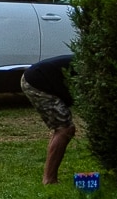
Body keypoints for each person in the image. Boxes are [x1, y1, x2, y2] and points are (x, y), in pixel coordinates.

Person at [21, 54, 78, 185]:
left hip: (36, 79)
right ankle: (49, 179)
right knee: (64, 129)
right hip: (36, 82)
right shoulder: (95, 69)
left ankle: (49, 178)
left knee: (63, 128)